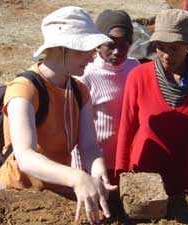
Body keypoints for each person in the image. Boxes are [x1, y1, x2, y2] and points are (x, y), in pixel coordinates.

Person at [0, 6, 117, 224]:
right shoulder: (23, 90)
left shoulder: (80, 91)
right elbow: (25, 157)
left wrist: (97, 170)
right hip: (16, 194)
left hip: (58, 195)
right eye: (85, 50)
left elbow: (89, 147)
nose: (92, 58)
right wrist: (76, 176)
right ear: (62, 48)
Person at [115, 8, 188, 195]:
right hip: (144, 175)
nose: (166, 55)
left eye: (174, 48)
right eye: (160, 47)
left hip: (186, 176)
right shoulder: (139, 76)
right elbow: (126, 128)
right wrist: (121, 173)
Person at [78, 10, 139, 185]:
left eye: (124, 44)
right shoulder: (86, 74)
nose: (117, 51)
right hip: (95, 162)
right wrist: (78, 168)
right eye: (110, 45)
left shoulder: (135, 68)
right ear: (98, 43)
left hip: (125, 160)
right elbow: (76, 125)